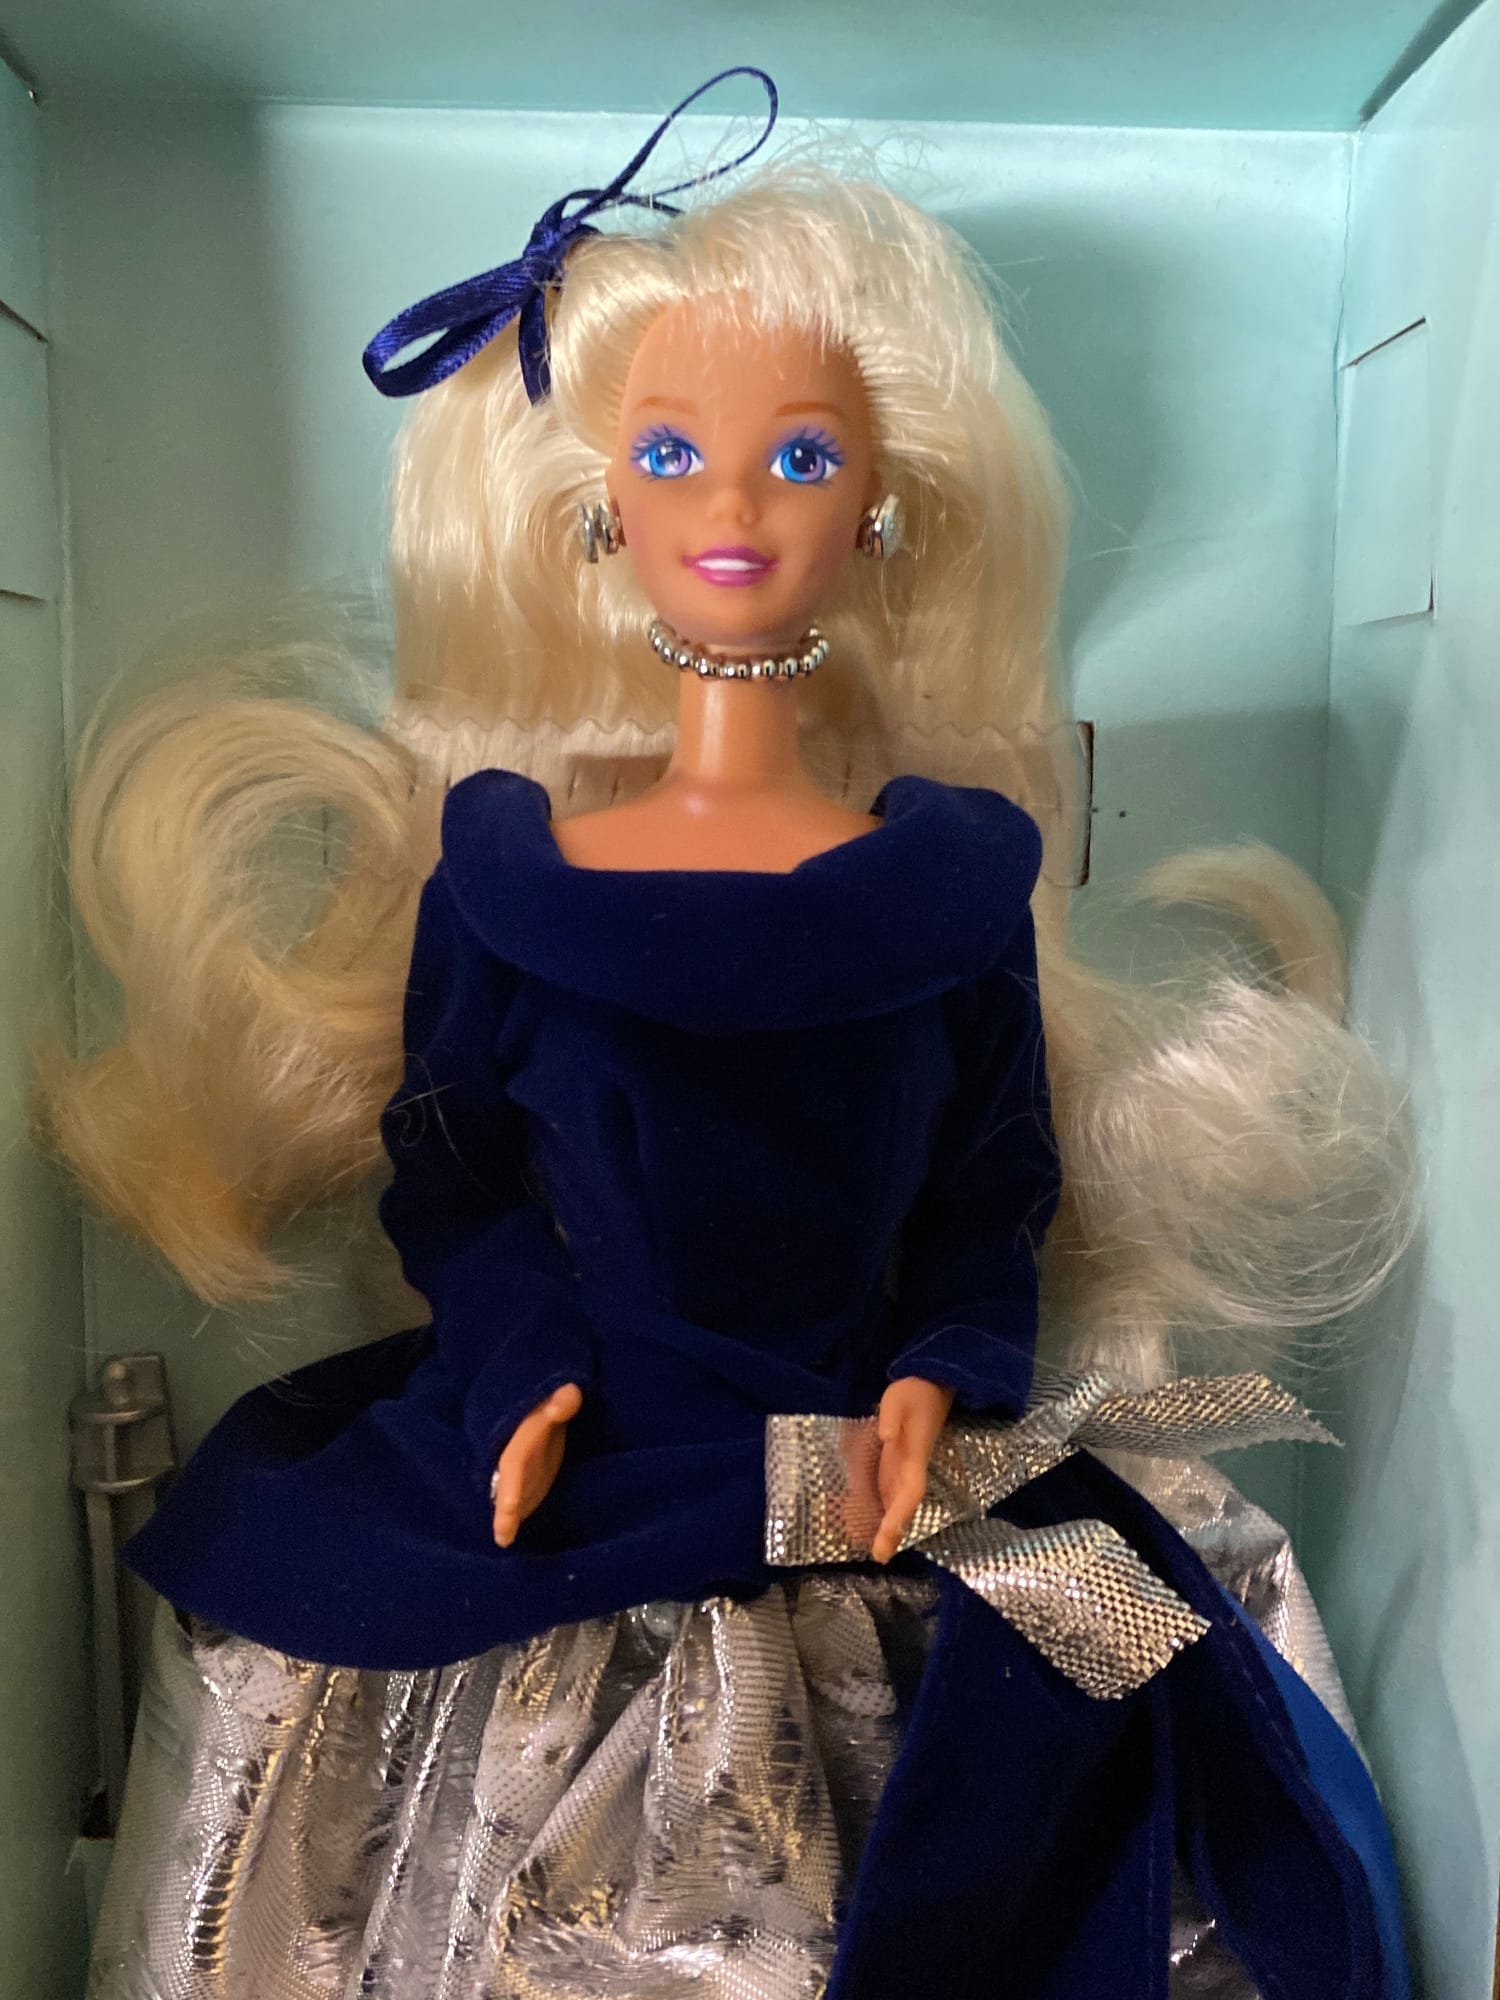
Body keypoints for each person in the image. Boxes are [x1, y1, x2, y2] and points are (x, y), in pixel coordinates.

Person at [52, 71, 1413, 2000]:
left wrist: (944, 1365)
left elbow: (991, 1184)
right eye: (677, 453)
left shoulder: (951, 892)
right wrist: (524, 1365)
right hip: (588, 1464)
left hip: (876, 1475)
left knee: (1125, 1699)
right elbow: (452, 1171)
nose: (735, 508)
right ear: (601, 503)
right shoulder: (506, 882)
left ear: (884, 504)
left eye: (802, 457)